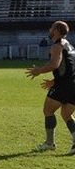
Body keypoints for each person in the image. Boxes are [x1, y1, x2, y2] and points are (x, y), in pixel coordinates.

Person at [26, 21, 75, 155]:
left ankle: (49, 143)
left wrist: (39, 71)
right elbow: (70, 68)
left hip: (64, 85)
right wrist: (55, 80)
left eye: (52, 27)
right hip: (72, 84)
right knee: (66, 114)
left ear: (57, 31)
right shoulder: (68, 45)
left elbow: (54, 64)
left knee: (48, 110)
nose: (49, 29)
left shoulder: (57, 46)